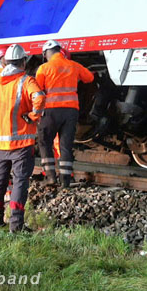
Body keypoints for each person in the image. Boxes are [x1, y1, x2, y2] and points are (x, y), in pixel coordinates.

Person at [0, 44, 45, 231]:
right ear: (23, 62)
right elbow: (40, 98)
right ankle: (16, 225)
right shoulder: (26, 81)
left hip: (1, 144)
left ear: (6, 62)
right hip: (22, 143)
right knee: (20, 182)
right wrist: (33, 116)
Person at [35, 40, 94, 187]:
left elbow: (37, 90)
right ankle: (65, 180)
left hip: (51, 111)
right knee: (65, 145)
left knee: (45, 142)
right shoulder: (73, 65)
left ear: (45, 53)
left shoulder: (44, 68)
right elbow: (89, 78)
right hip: (70, 112)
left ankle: (50, 177)